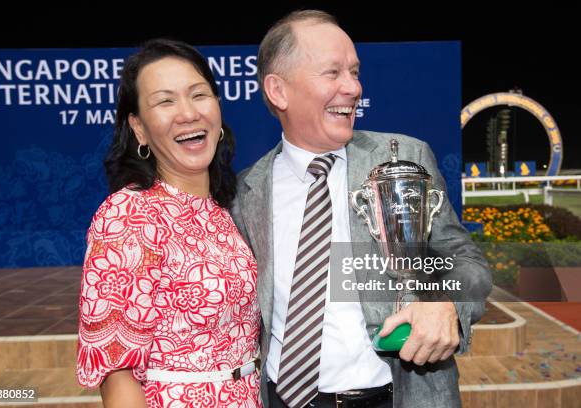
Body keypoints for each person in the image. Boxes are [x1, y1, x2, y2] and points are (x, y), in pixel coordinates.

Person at [231, 10, 492, 408]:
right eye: (332, 73)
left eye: (354, 72)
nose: (352, 88)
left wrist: (447, 303)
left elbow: (466, 260)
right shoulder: (245, 192)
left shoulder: (405, 157)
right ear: (278, 90)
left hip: (398, 396)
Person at [76, 39, 261, 408]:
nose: (188, 113)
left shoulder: (224, 209)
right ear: (139, 128)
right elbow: (118, 376)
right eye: (165, 101)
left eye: (198, 94)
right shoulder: (128, 216)